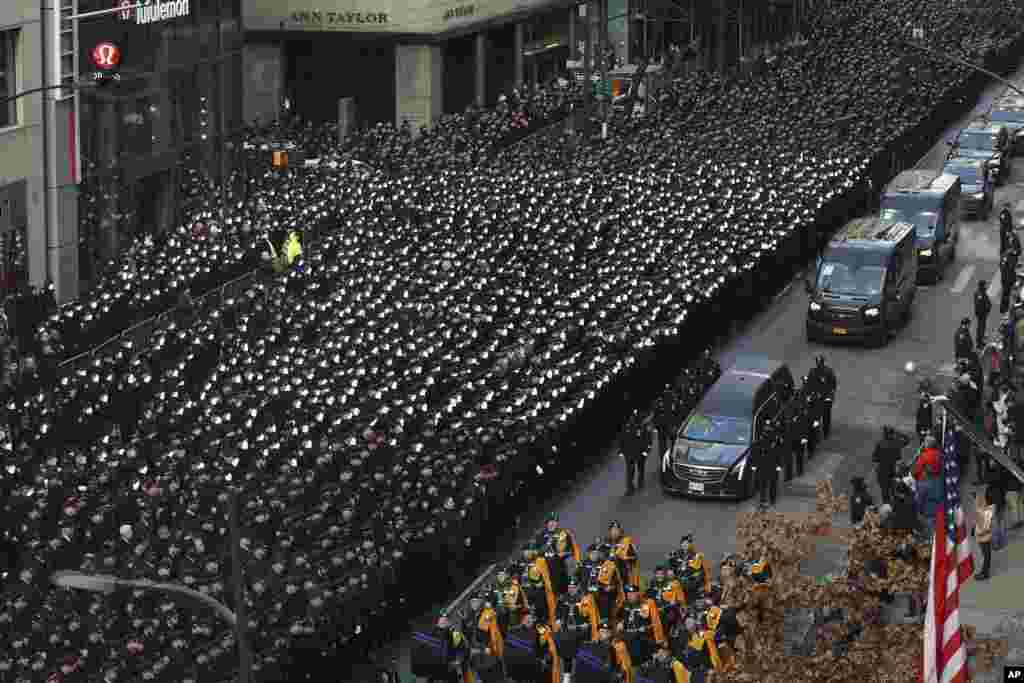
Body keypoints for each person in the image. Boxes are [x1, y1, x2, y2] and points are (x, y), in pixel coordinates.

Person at [872, 425, 908, 505]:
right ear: (892, 434)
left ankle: (886, 508)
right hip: (893, 471)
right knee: (894, 491)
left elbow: (874, 458)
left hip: (882, 471)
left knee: (885, 493)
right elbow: (907, 440)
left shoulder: (880, 443)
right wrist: (898, 433)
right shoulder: (896, 443)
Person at [807, 355, 837, 439]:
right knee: (815, 416)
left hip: (825, 397)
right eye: (818, 363)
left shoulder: (828, 372)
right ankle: (816, 433)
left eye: (820, 363)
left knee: (826, 416)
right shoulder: (812, 372)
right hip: (816, 398)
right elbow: (809, 384)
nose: (819, 364)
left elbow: (833, 384)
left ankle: (826, 431)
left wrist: (829, 396)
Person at [619, 410, 648, 495]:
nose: (631, 419)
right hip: (629, 452)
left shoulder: (641, 427)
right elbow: (621, 439)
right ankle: (630, 487)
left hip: (640, 452)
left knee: (640, 468)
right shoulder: (626, 427)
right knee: (630, 471)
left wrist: (646, 451)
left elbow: (646, 438)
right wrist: (620, 451)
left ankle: (640, 481)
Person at [755, 419, 780, 507]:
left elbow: (779, 453)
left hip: (773, 464)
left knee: (772, 483)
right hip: (763, 464)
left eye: (768, 428)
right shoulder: (761, 439)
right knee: (763, 483)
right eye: (766, 428)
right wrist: (755, 465)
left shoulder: (775, 440)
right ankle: (762, 500)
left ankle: (772, 499)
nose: (767, 429)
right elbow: (757, 452)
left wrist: (779, 465)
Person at [974, 489, 995, 581]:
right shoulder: (985, 509)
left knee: (986, 555)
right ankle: (984, 572)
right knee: (986, 554)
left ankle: (984, 573)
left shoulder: (987, 512)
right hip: (982, 536)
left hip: (984, 537)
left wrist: (979, 532)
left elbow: (986, 527)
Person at [1000, 246, 1018, 314]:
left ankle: (1004, 308)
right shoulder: (1007, 258)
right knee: (1006, 294)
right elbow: (1010, 266)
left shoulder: (1006, 257)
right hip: (1007, 279)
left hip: (1007, 278)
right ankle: (1004, 308)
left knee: (1006, 294)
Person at [975, 279, 993, 347]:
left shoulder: (982, 292)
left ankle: (980, 339)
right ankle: (979, 342)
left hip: (982, 313)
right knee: (981, 328)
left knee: (982, 327)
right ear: (982, 285)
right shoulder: (980, 294)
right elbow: (979, 305)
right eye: (985, 284)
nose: (987, 286)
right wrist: (985, 310)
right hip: (981, 314)